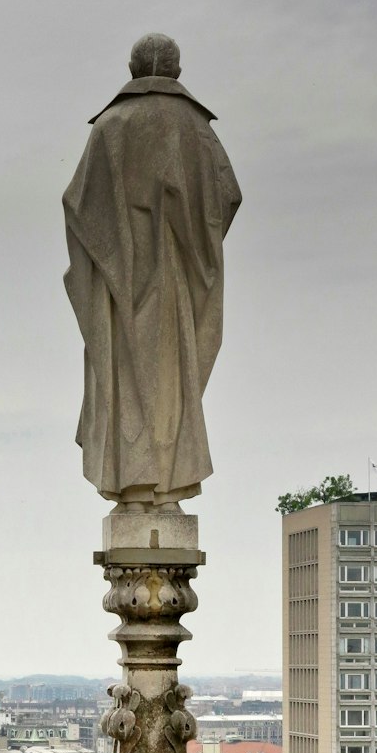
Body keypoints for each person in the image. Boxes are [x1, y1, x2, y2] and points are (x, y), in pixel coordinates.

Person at [63, 33, 241, 511]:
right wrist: (191, 243)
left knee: (125, 379)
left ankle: (137, 487)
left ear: (131, 68)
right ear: (177, 71)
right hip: (176, 285)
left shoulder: (110, 127)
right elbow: (227, 196)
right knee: (171, 383)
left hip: (122, 285)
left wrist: (115, 255)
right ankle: (168, 489)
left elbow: (79, 205)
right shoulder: (198, 129)